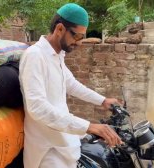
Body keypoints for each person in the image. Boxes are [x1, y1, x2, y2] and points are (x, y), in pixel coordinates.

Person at [19, 3, 123, 168]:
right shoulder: (35, 56)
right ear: (60, 29)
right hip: (47, 152)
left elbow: (72, 84)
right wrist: (89, 126)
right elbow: (37, 107)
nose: (80, 43)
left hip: (64, 144)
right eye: (77, 37)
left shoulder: (57, 55)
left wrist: (102, 100)